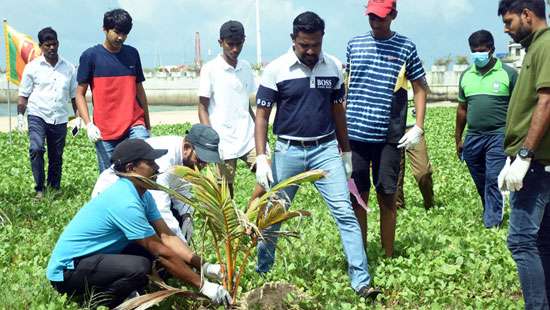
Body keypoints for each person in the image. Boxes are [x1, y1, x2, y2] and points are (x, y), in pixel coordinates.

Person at [254, 11, 380, 299]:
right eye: (304, 46)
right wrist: (262, 155)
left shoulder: (333, 67)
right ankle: (262, 270)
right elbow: (261, 116)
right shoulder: (276, 70)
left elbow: (338, 111)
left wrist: (346, 152)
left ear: (322, 39)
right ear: (293, 40)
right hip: (288, 151)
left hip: (325, 151)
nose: (310, 51)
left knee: (345, 213)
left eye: (315, 45)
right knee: (274, 215)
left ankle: (361, 281)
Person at [46, 139, 231, 308]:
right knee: (140, 267)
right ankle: (105, 299)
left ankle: (125, 289)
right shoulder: (125, 201)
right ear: (131, 168)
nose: (157, 167)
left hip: (95, 257)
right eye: (150, 163)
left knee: (153, 256)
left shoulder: (144, 194)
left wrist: (204, 266)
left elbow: (167, 236)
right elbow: (160, 251)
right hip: (67, 271)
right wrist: (204, 286)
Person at [346, 0, 428, 257]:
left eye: (381, 17)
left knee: (388, 195)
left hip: (389, 136)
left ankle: (388, 253)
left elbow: (419, 87)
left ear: (393, 15)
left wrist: (418, 126)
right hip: (355, 135)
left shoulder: (406, 47)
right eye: (371, 17)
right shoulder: (354, 44)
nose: (375, 22)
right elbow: (346, 87)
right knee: (357, 197)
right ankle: (360, 252)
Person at [497, 0, 550, 308]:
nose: (507, 29)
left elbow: (546, 102)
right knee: (542, 240)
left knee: (520, 241)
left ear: (527, 15)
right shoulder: (536, 48)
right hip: (537, 161)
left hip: (536, 163)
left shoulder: (544, 47)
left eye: (510, 21)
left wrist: (525, 154)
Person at [92, 124, 222, 243]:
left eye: (207, 162)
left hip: (140, 198)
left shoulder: (182, 155)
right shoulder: (164, 161)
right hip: (114, 201)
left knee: (175, 219)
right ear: (187, 148)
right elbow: (161, 210)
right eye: (200, 160)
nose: (203, 165)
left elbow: (180, 187)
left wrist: (186, 215)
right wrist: (183, 247)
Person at [75, 8, 151, 173]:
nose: (120, 37)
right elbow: (79, 94)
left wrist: (148, 125)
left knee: (144, 167)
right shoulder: (90, 56)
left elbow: (140, 91)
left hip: (134, 123)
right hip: (105, 130)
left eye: (124, 33)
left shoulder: (132, 54)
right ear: (105, 29)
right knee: (110, 177)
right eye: (116, 32)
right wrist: (89, 124)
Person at [456, 30, 517, 229]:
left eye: (481, 50)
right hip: (473, 136)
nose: (477, 55)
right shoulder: (466, 75)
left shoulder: (508, 73)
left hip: (498, 134)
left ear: (491, 49)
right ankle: (489, 208)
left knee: (493, 178)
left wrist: (517, 137)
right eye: (474, 51)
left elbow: (519, 108)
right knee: (480, 177)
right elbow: (462, 109)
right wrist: (458, 138)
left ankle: (492, 223)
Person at [198, 20, 265, 202]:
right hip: (222, 141)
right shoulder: (210, 69)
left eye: (239, 44)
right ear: (220, 42)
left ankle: (249, 212)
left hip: (248, 137)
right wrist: (210, 139)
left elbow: (246, 103)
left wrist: (259, 131)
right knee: (225, 195)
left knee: (268, 175)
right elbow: (202, 107)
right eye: (230, 44)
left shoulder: (245, 66)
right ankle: (233, 227)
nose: (235, 49)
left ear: (244, 41)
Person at [17, 27, 78, 199]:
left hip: (59, 117)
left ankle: (54, 187)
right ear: (40, 46)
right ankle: (39, 189)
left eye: (54, 44)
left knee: (56, 155)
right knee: (36, 149)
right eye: (47, 45)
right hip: (37, 114)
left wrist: (78, 118)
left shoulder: (69, 68)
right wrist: (21, 116)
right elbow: (23, 96)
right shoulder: (32, 67)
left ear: (58, 43)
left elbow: (74, 96)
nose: (52, 48)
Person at [395, 80, 434, 211]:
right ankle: (397, 207)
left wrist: (419, 126)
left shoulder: (416, 75)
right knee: (395, 173)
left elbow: (424, 92)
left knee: (423, 172)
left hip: (413, 129)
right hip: (393, 128)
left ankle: (430, 203)